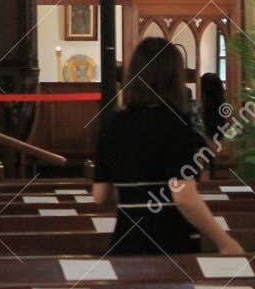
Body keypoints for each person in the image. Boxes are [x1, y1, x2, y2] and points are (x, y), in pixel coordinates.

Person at [92, 37, 243, 255]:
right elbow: (184, 197)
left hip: (126, 244)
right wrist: (224, 242)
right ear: (174, 76)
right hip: (170, 243)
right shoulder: (176, 123)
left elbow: (100, 195)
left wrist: (136, 192)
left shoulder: (112, 124)